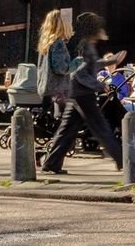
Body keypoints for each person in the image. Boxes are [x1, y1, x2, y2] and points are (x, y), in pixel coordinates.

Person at [39, 12, 123, 174]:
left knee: (68, 130)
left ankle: (51, 163)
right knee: (100, 127)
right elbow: (80, 72)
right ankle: (123, 160)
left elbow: (90, 65)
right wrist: (98, 85)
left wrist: (111, 61)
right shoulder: (82, 44)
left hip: (76, 92)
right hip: (83, 92)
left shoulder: (85, 43)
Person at [35, 10, 72, 115]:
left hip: (46, 88)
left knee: (50, 123)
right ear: (61, 24)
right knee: (61, 122)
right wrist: (75, 64)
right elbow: (60, 68)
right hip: (58, 91)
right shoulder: (58, 43)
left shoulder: (45, 43)